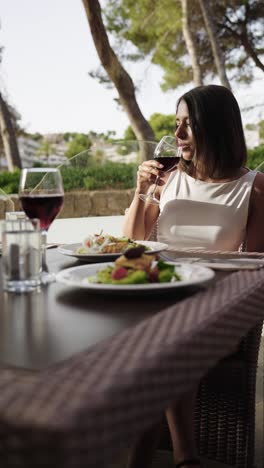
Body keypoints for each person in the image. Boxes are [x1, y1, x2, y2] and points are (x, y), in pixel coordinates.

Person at [123, 84, 264, 468]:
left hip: (217, 304)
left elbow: (255, 268)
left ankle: (169, 457)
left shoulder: (254, 188)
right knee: (160, 335)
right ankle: (186, 459)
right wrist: (141, 193)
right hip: (158, 295)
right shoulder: (167, 179)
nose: (179, 134)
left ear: (217, 127)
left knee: (166, 340)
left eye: (190, 124)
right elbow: (131, 241)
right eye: (176, 123)